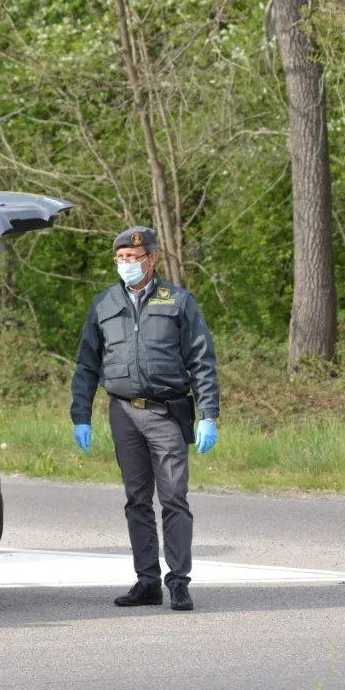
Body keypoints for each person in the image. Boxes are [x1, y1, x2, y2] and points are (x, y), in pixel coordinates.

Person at [70, 226, 220, 612]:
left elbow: (202, 361)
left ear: (152, 259)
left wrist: (208, 414)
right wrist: (80, 415)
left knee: (173, 497)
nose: (126, 265)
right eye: (120, 259)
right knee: (136, 500)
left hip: (166, 413)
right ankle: (147, 580)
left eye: (133, 259)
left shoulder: (178, 301)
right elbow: (87, 364)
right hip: (123, 413)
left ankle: (179, 581)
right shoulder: (104, 305)